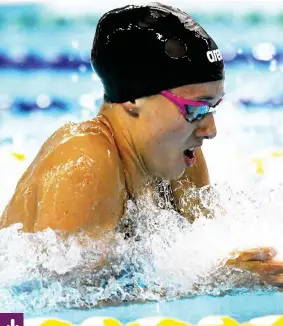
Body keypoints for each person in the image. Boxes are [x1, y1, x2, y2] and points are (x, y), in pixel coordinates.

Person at [0, 2, 282, 288]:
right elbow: (62, 303)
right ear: (134, 100)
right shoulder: (85, 162)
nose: (210, 130)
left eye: (213, 108)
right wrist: (217, 283)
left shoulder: (180, 160)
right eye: (195, 110)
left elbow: (202, 253)